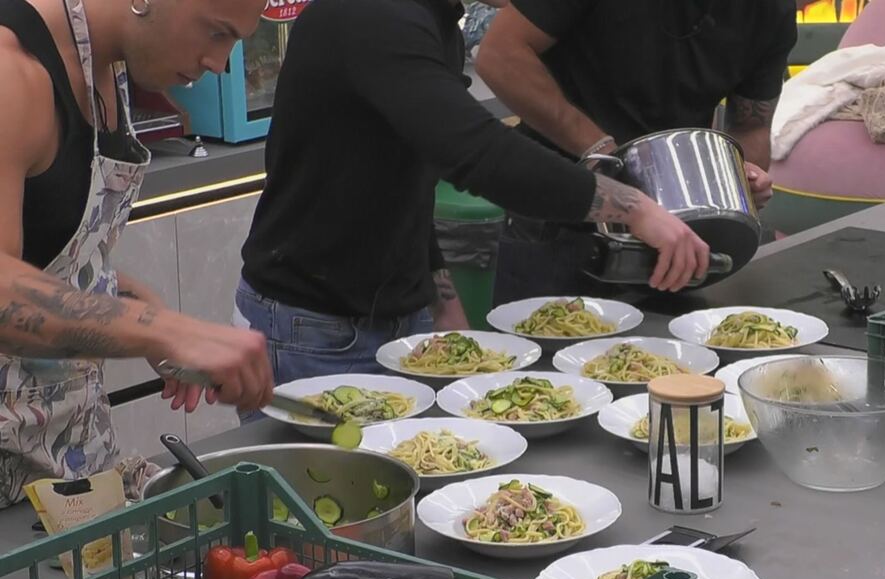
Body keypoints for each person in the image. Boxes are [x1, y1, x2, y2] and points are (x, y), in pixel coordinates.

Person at [234, 0, 710, 407]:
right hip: (312, 331)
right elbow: (478, 153)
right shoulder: (371, 14)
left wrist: (441, 302)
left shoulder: (436, 20)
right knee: (329, 508)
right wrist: (635, 208)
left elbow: (402, 177)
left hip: (397, 316)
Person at [0, 0, 276, 506]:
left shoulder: (108, 67)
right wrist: (164, 329)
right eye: (217, 33)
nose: (220, 63)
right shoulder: (11, 72)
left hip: (66, 469)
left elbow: (56, 251)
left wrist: (132, 300)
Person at [475, 0, 797, 305]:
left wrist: (742, 177)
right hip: (559, 216)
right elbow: (501, 55)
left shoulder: (769, 9)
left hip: (676, 233)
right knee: (543, 357)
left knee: (668, 362)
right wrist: (607, 155)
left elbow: (751, 125)